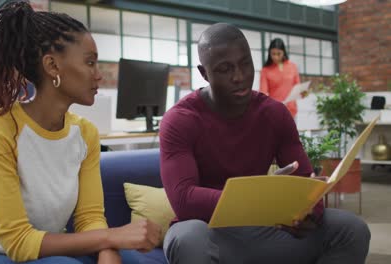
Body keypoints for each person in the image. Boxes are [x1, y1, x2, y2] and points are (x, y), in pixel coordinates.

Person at [0, 2, 161, 264]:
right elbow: (19, 243)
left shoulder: (85, 134)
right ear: (52, 66)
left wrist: (108, 251)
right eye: (90, 62)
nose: (98, 75)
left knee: (135, 260)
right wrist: (112, 237)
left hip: (45, 251)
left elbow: (89, 217)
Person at [159, 23, 370, 264]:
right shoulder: (180, 120)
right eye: (225, 69)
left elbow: (303, 179)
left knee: (351, 229)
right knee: (188, 237)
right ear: (204, 73)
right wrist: (259, 198)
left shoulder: (274, 114)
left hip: (265, 228)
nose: (239, 77)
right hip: (212, 234)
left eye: (245, 64)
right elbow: (184, 200)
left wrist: (309, 212)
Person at [260, 38, 301, 119]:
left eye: (279, 54)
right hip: (275, 111)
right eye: (273, 54)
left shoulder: (293, 66)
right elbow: (263, 93)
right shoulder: (265, 70)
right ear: (269, 53)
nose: (276, 57)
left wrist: (303, 93)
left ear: (284, 52)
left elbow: (298, 86)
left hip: (291, 111)